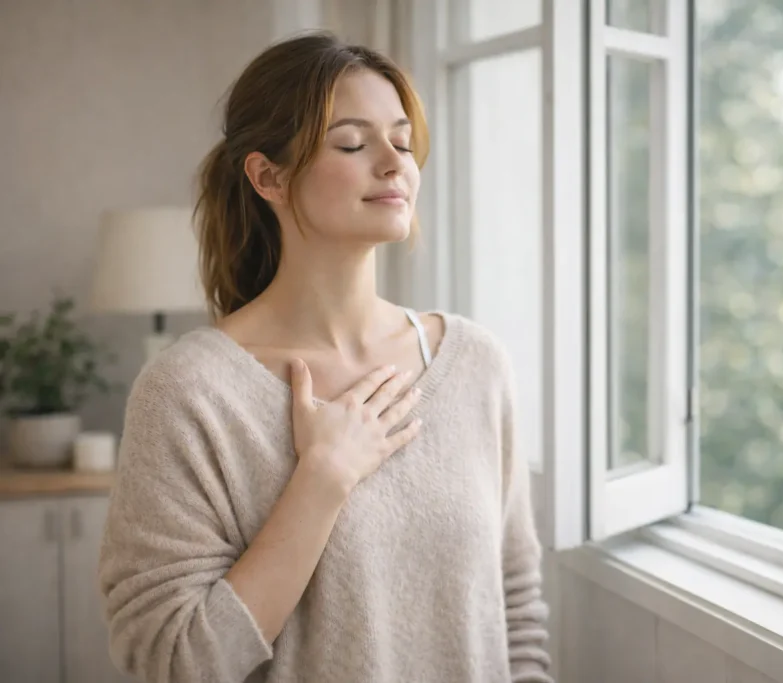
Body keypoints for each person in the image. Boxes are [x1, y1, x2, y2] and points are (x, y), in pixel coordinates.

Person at [97, 32, 552, 683]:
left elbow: (517, 608)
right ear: (268, 176)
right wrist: (321, 480)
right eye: (352, 143)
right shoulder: (189, 392)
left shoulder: (476, 363)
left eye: (402, 140)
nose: (394, 163)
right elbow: (174, 661)